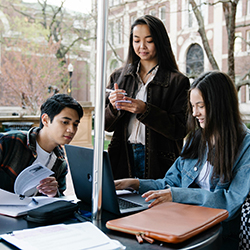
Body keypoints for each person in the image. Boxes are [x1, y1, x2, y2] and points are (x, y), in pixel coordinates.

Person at [115, 71, 250, 249]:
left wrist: (177, 195)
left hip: (218, 235)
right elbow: (170, 182)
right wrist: (134, 184)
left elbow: (230, 202)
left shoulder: (245, 146)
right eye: (192, 106)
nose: (194, 113)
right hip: (182, 224)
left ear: (220, 105)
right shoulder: (196, 138)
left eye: (200, 106)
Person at [105, 15, 190, 180]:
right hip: (123, 157)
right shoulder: (119, 77)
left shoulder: (177, 81)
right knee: (124, 203)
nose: (141, 46)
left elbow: (180, 129)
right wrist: (113, 107)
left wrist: (146, 110)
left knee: (155, 205)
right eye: (136, 41)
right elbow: (105, 126)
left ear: (160, 41)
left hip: (159, 161)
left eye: (149, 41)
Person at [0, 94, 83, 197]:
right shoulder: (9, 142)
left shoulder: (60, 163)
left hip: (29, 212)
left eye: (75, 124)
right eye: (65, 122)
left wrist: (53, 193)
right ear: (45, 120)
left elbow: (59, 198)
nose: (72, 130)